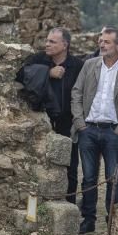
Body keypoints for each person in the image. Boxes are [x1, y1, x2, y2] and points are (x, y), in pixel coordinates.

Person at [71, 27, 118, 234]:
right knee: (89, 178)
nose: (101, 44)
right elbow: (76, 93)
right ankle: (88, 220)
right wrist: (80, 123)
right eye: (100, 41)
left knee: (114, 179)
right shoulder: (89, 65)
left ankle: (113, 221)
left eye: (107, 42)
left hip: (113, 132)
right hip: (89, 130)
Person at [16, 27, 83, 202]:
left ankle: (69, 203)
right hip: (41, 121)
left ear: (65, 45)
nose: (47, 44)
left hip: (68, 123)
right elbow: (21, 74)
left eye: (52, 41)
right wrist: (48, 73)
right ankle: (41, 204)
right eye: (46, 40)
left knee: (70, 165)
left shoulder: (77, 65)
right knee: (39, 164)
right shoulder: (38, 59)